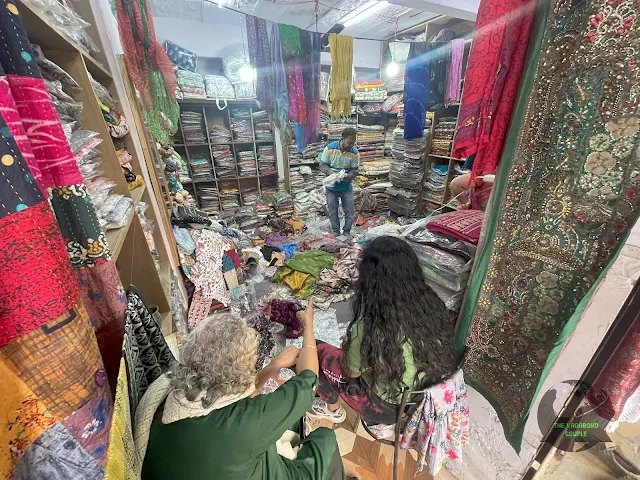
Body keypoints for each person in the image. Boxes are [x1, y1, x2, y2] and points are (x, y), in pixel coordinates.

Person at [140, 304, 347, 480]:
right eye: (252, 361)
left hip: (208, 466)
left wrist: (274, 366)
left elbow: (237, 395)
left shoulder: (181, 393)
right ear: (239, 375)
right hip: (238, 461)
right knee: (325, 439)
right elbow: (308, 380)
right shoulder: (243, 423)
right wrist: (308, 325)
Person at [309, 236, 455, 425]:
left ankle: (332, 409)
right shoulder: (433, 308)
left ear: (369, 279)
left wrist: (349, 346)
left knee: (316, 349)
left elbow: (353, 373)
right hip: (423, 401)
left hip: (384, 409)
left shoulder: (368, 327)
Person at [320, 127, 359, 238]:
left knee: (350, 211)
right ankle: (336, 231)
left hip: (346, 186)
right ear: (342, 138)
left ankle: (346, 232)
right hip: (331, 188)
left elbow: (355, 170)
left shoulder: (354, 153)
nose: (351, 145)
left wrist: (349, 176)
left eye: (353, 142)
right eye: (349, 142)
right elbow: (322, 165)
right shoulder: (330, 148)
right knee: (332, 211)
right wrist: (331, 173)